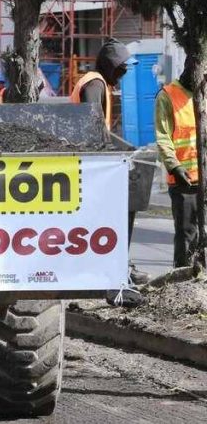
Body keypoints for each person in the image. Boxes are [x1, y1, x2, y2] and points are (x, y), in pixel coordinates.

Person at [70, 39, 148, 304]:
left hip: (92, 164)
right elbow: (91, 126)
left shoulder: (99, 82)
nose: (123, 74)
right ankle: (114, 275)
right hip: (89, 167)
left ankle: (118, 268)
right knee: (113, 216)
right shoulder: (94, 84)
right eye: (121, 68)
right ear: (110, 65)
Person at [154, 61, 202, 269]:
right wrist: (174, 166)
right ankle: (183, 275)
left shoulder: (203, 92)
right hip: (184, 179)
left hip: (204, 176)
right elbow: (163, 136)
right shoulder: (167, 96)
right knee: (186, 233)